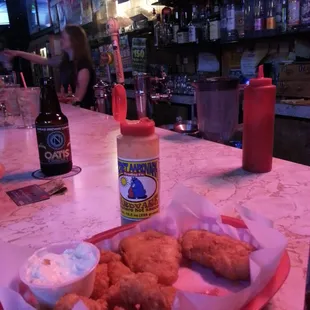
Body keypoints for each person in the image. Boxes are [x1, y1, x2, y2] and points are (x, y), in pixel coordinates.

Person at [4, 25, 96, 109]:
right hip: (74, 112)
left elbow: (77, 100)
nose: (60, 40)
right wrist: (18, 53)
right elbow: (42, 60)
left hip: (85, 113)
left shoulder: (83, 67)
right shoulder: (66, 62)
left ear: (74, 40)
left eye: (63, 38)